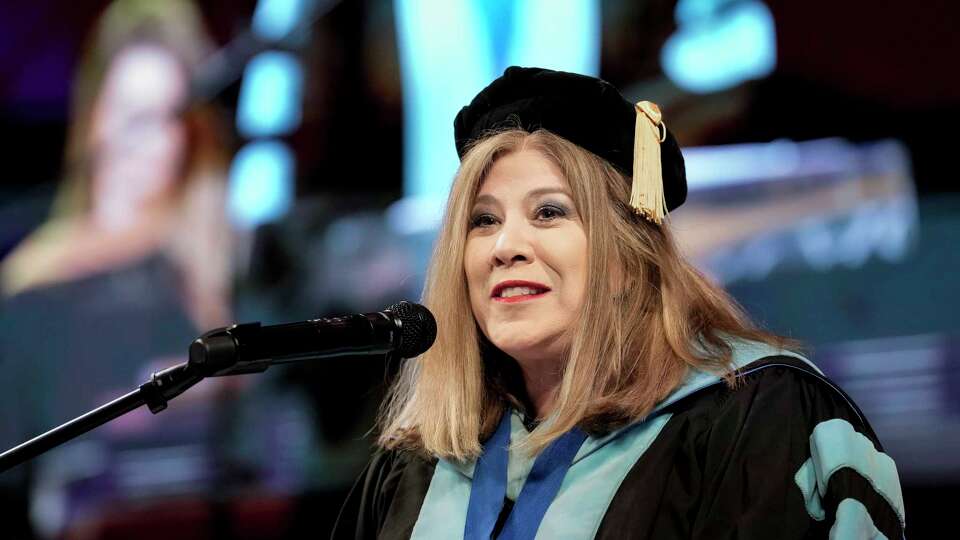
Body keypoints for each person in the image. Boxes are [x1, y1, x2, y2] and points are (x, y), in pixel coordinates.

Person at [330, 66, 905, 539]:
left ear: (629, 257)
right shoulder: (419, 466)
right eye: (483, 221)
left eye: (549, 212)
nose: (504, 247)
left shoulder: (753, 418)